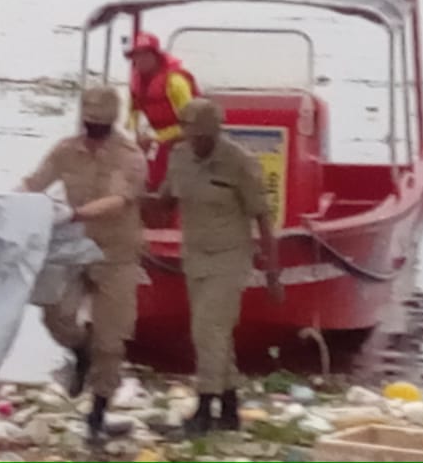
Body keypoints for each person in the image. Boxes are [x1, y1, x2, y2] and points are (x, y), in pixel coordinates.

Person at [145, 98, 283, 437]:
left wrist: (273, 274)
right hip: (195, 255)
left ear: (216, 133)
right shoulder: (179, 158)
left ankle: (204, 411)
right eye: (193, 136)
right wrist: (128, 198)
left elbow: (263, 218)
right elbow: (163, 204)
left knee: (207, 331)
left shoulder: (239, 162)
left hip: (230, 257)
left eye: (204, 137)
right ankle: (231, 408)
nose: (198, 143)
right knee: (215, 334)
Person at [18, 86, 147, 442]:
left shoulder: (128, 157)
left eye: (100, 125)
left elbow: (118, 202)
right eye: (89, 123)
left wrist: (72, 214)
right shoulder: (66, 150)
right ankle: (79, 350)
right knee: (53, 312)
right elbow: (35, 182)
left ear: (111, 123)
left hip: (115, 255)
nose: (93, 130)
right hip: (73, 250)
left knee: (112, 340)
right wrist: (11, 206)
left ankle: (98, 416)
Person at [126, 31, 200, 191]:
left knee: (160, 176)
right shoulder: (136, 83)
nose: (140, 60)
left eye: (145, 55)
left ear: (156, 56)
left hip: (180, 139)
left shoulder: (175, 81)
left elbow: (192, 122)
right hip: (155, 140)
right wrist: (136, 137)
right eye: (136, 56)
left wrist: (157, 139)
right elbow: (133, 117)